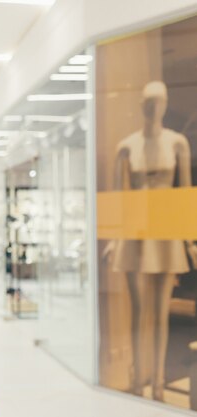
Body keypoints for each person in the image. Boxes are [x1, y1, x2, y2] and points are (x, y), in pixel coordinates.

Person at [103, 81, 197, 400]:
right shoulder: (127, 146)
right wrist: (115, 238)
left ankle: (157, 381)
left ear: (166, 104)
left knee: (160, 313)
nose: (153, 108)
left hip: (166, 231)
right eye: (148, 102)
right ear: (141, 105)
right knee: (138, 311)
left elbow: (184, 195)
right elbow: (118, 198)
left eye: (158, 102)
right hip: (135, 232)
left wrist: (188, 241)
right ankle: (137, 376)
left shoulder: (177, 143)